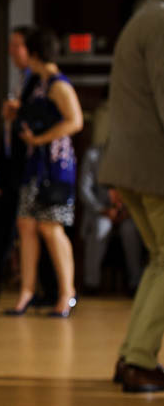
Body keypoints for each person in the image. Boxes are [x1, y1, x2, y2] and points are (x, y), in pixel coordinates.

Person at [99, 0, 164, 393]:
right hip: (154, 167)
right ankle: (139, 360)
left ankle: (132, 356)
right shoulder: (160, 21)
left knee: (160, 261)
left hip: (132, 166)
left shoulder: (138, 21)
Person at [5, 27, 83, 318]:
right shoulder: (38, 82)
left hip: (55, 167)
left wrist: (39, 139)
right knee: (26, 225)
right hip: (34, 166)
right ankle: (26, 292)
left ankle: (67, 294)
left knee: (52, 228)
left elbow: (75, 121)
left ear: (34, 53)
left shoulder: (58, 85)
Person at [0, 25, 58, 305]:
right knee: (24, 228)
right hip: (15, 165)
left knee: (43, 228)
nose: (12, 51)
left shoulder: (47, 82)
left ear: (33, 51)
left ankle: (54, 293)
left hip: (33, 167)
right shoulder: (26, 80)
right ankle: (17, 290)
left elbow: (69, 120)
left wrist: (24, 123)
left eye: (18, 46)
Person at [78, 103, 143, 295]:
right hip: (99, 211)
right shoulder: (93, 155)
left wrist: (126, 210)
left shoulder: (132, 158)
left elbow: (138, 188)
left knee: (131, 231)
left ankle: (135, 283)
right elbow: (84, 189)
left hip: (128, 213)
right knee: (100, 228)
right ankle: (92, 283)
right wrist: (103, 209)